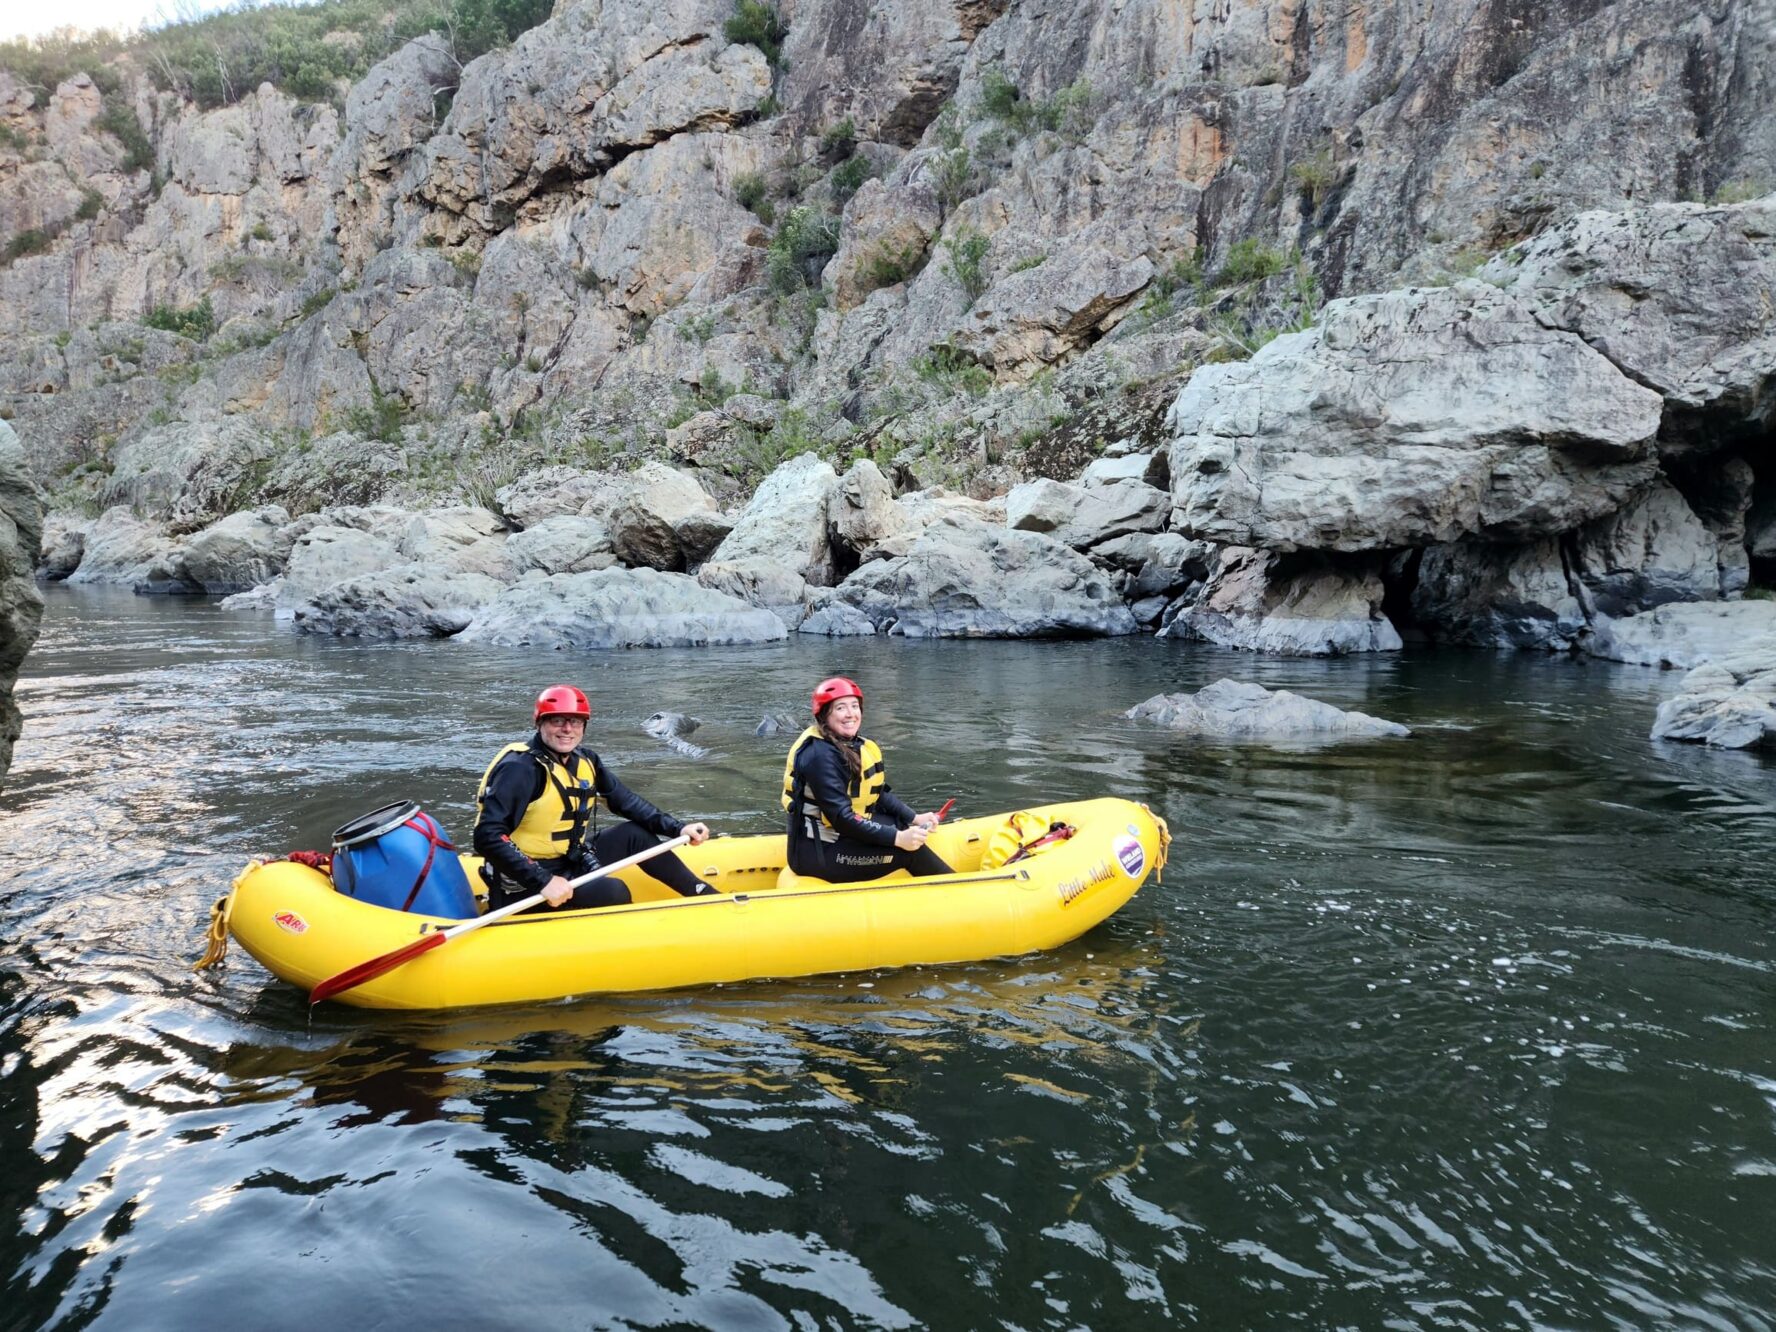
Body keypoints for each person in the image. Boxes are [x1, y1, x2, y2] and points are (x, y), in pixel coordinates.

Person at [474, 684, 716, 911]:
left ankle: (707, 897)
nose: (567, 729)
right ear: (540, 723)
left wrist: (678, 828)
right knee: (614, 891)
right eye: (557, 721)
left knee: (633, 835)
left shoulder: (585, 760)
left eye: (576, 722)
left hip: (568, 861)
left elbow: (627, 802)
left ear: (584, 726)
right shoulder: (521, 769)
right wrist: (542, 880)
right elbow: (487, 836)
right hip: (523, 882)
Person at [782, 676, 953, 882]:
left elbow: (876, 793)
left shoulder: (850, 745)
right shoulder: (820, 756)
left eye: (854, 706)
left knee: (900, 823)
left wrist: (914, 818)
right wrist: (898, 838)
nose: (850, 714)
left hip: (835, 838)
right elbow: (842, 819)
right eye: (840, 708)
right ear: (825, 715)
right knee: (910, 851)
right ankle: (964, 893)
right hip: (818, 854)